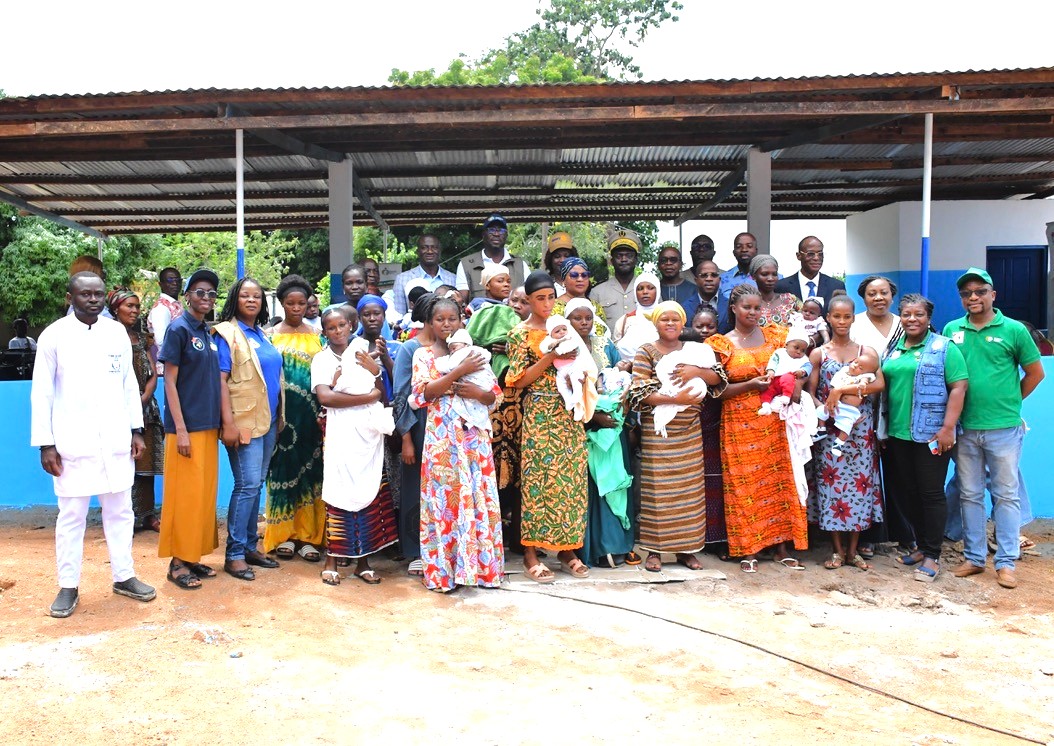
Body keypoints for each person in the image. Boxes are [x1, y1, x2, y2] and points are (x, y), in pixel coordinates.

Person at [31, 272, 156, 618]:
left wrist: (136, 429)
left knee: (121, 511)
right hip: (72, 443)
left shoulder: (115, 332)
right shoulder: (54, 336)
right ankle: (68, 585)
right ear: (70, 297)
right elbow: (41, 392)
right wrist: (45, 444)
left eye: (98, 294)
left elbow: (129, 385)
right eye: (85, 294)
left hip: (116, 439)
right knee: (72, 516)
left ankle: (124, 576)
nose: (93, 299)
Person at [944, 267, 1044, 589]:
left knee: (1005, 496)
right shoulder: (951, 328)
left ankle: (1006, 562)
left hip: (1003, 429)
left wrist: (1011, 402)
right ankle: (974, 558)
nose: (973, 297)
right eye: (966, 293)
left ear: (992, 295)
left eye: (979, 291)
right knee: (970, 495)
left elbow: (1035, 372)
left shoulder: (1013, 330)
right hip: (965, 429)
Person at [708, 284, 807, 573]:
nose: (753, 312)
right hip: (739, 424)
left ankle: (781, 548)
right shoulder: (720, 344)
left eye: (756, 308)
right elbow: (717, 391)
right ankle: (747, 549)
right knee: (744, 486)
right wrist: (751, 385)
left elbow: (797, 365)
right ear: (733, 309)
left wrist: (795, 387)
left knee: (779, 481)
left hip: (775, 421)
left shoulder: (777, 336)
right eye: (746, 307)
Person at [411, 296, 505, 592]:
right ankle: (444, 573)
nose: (447, 324)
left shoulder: (478, 354)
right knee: (445, 502)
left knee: (477, 498)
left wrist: (477, 393)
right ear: (430, 322)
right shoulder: (424, 356)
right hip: (443, 443)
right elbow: (423, 395)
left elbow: (494, 397)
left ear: (461, 321)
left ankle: (481, 571)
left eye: (453, 319)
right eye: (440, 319)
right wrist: (458, 372)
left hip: (474, 439)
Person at [628, 301, 724, 573]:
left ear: (683, 324)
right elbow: (638, 392)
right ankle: (655, 550)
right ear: (655, 323)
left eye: (675, 319)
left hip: (689, 430)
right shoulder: (645, 352)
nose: (669, 324)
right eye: (664, 319)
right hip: (659, 432)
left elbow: (718, 378)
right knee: (657, 492)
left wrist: (697, 372)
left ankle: (687, 550)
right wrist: (675, 397)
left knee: (689, 491)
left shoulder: (694, 350)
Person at [506, 270, 590, 583]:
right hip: (539, 409)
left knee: (570, 480)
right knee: (538, 480)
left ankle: (566, 550)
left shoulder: (564, 326)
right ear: (527, 300)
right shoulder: (520, 333)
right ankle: (530, 552)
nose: (546, 304)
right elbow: (517, 380)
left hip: (569, 409)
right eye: (539, 298)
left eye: (550, 297)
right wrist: (551, 355)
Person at [881, 294, 967, 583]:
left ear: (929, 318)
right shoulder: (895, 348)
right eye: (906, 314)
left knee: (930, 493)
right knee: (907, 491)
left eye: (918, 314)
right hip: (897, 433)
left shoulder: (943, 348)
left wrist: (948, 427)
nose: (912, 319)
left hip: (930, 434)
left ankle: (932, 554)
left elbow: (958, 387)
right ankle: (920, 545)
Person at [312, 308, 398, 586]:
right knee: (338, 493)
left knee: (370, 492)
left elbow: (384, 397)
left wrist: (375, 375)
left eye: (342, 325)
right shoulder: (322, 359)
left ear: (351, 326)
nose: (337, 331)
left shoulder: (364, 353)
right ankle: (332, 560)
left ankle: (364, 562)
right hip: (341, 433)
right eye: (331, 328)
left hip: (368, 435)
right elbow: (326, 397)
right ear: (324, 331)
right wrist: (367, 396)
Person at [806, 295, 884, 572]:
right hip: (830, 430)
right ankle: (837, 551)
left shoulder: (867, 352)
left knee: (861, 487)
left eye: (846, 316)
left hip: (860, 431)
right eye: (836, 316)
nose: (841, 321)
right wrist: (824, 410)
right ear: (828, 317)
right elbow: (812, 392)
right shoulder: (819, 353)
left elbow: (879, 385)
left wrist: (841, 391)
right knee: (830, 487)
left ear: (853, 318)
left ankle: (854, 551)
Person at [213, 277, 284, 582]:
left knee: (257, 484)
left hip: (267, 421)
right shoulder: (227, 333)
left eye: (257, 296)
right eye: (245, 296)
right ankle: (234, 555)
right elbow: (220, 381)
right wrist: (227, 423)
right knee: (246, 484)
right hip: (242, 422)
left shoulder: (263, 335)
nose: (252, 300)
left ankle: (250, 546)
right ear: (235, 299)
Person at [157, 268, 223, 590]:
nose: (206, 298)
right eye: (199, 292)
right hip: (186, 430)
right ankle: (177, 563)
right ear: (187, 296)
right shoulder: (179, 329)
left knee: (202, 497)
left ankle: (193, 555)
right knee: (184, 497)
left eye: (211, 293)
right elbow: (169, 381)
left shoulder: (208, 334)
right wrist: (180, 430)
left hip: (208, 428)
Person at [565, 298, 637, 568]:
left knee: (613, 482)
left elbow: (624, 382)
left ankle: (617, 544)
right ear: (568, 320)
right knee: (590, 488)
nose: (584, 323)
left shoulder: (605, 345)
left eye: (588, 318)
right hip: (580, 426)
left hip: (612, 426)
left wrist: (618, 411)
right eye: (577, 318)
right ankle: (592, 549)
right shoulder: (563, 349)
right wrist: (593, 417)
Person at [264, 275, 326, 563]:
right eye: (291, 303)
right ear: (282, 303)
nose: (297, 308)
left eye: (302, 303)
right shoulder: (268, 335)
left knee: (311, 474)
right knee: (281, 473)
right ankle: (283, 535)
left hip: (311, 419)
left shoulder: (317, 335)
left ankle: (309, 537)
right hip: (280, 419)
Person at [465, 291, 528, 554]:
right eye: (513, 300)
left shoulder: (536, 336)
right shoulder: (489, 335)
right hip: (492, 418)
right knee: (489, 476)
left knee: (520, 478)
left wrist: (515, 349)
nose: (516, 306)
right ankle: (490, 540)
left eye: (524, 302)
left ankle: (519, 540)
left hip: (524, 416)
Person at [108, 289, 164, 533]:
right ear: (115, 309)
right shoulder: (106, 337)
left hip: (146, 409)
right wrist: (128, 403)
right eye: (129, 306)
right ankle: (124, 516)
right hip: (117, 409)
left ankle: (147, 514)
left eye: (137, 306)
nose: (134, 311)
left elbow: (153, 372)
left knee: (146, 463)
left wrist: (142, 398)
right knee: (123, 462)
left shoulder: (143, 339)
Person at [392, 294, 438, 575]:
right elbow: (401, 395)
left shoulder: (450, 348)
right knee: (415, 489)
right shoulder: (409, 350)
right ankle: (415, 550)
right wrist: (407, 437)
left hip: (446, 427)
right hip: (418, 425)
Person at [689, 306, 730, 552]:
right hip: (690, 425)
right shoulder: (683, 352)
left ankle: (717, 540)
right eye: (699, 326)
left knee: (716, 483)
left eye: (710, 326)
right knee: (693, 484)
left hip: (715, 423)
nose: (705, 330)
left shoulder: (723, 352)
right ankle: (693, 540)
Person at [436, 328, 500, 432]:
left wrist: (439, 363)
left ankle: (472, 424)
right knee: (476, 410)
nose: (453, 351)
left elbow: (450, 365)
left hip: (478, 384)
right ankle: (472, 424)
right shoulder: (480, 352)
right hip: (482, 388)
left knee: (470, 408)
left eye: (454, 347)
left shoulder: (465, 353)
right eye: (450, 349)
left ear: (465, 345)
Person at [456, 214, 530, 301]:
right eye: (491, 230)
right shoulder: (467, 264)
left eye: (501, 230)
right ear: (483, 234)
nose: (496, 234)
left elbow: (529, 299)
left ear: (506, 235)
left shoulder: (520, 265)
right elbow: (462, 301)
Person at [539, 313, 598, 422]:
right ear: (551, 333)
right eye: (557, 331)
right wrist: (550, 346)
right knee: (561, 385)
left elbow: (570, 346)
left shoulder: (570, 337)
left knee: (576, 382)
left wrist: (557, 352)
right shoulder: (550, 340)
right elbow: (543, 348)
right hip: (561, 370)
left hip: (573, 367)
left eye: (564, 329)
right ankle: (568, 400)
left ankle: (576, 399)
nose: (561, 332)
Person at [391, 234, 457, 316]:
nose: (430, 251)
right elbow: (398, 315)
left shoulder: (452, 279)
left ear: (440, 251)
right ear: (417, 251)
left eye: (434, 247)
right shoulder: (402, 279)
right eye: (424, 247)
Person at [773, 236, 846, 309]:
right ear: (798, 256)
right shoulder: (781, 287)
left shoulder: (836, 286)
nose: (816, 258)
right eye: (811, 254)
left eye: (820, 254)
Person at [757, 327, 812, 416]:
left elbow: (808, 367)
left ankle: (785, 398)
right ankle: (766, 406)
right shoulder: (780, 353)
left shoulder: (804, 359)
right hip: (775, 380)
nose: (799, 352)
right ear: (786, 345)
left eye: (803, 350)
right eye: (796, 347)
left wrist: (802, 371)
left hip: (789, 382)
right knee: (767, 391)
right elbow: (773, 361)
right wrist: (771, 370)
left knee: (788, 377)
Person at [592, 228, 641, 326]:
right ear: (611, 260)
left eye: (629, 255)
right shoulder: (597, 292)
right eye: (619, 256)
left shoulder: (648, 288)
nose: (624, 259)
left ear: (636, 259)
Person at [554, 257, 608, 338]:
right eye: (574, 275)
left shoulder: (596, 307)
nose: (580, 279)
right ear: (563, 280)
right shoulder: (554, 307)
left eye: (584, 275)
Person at [851, 275, 902, 359]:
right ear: (864, 299)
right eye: (872, 294)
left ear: (892, 296)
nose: (878, 298)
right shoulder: (853, 324)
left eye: (884, 293)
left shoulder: (903, 324)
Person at [717, 232, 760, 325]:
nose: (744, 249)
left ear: (756, 250)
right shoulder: (722, 279)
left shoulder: (770, 279)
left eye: (749, 246)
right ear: (734, 252)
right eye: (739, 246)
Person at [613, 272, 661, 356]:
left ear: (658, 290)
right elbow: (616, 351)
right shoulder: (625, 320)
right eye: (640, 288)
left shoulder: (667, 318)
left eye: (650, 288)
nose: (645, 292)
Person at [746, 254, 799, 329]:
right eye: (764, 274)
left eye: (774, 274)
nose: (770, 278)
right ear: (754, 276)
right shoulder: (748, 304)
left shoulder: (791, 300)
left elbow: (814, 322)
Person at [147, 267, 183, 375]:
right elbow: (161, 341)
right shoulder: (161, 308)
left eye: (178, 280)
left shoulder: (174, 305)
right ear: (160, 284)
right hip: (167, 369)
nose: (175, 283)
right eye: (170, 280)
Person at [543, 231, 578, 296]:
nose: (562, 260)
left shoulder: (580, 283)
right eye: (557, 256)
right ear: (550, 259)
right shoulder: (544, 284)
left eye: (566, 256)